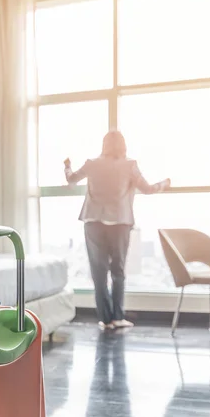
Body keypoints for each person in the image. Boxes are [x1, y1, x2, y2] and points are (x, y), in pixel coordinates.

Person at [64, 130, 170, 330]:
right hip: (120, 222)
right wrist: (164, 184)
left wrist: (67, 166)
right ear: (123, 145)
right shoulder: (130, 165)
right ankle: (118, 316)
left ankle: (105, 319)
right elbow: (147, 189)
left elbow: (71, 180)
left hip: (93, 221)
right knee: (118, 271)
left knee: (98, 271)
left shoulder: (92, 164)